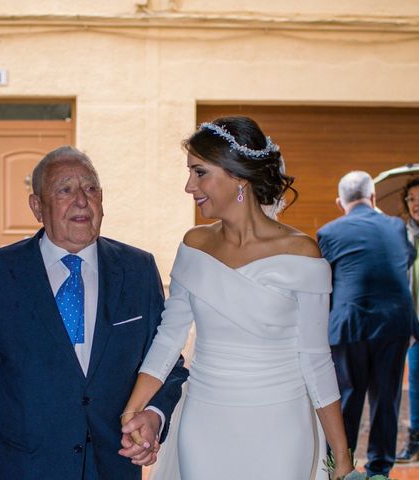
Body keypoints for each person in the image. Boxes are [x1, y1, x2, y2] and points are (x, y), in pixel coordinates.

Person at [120, 116, 353, 480]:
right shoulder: (193, 245)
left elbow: (316, 359)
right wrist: (132, 409)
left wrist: (341, 452)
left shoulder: (302, 254)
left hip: (281, 423)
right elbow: (168, 338)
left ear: (238, 176)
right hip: (204, 420)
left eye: (199, 173)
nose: (188, 186)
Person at [0, 146, 188, 480]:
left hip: (112, 468)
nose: (81, 201)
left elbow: (167, 363)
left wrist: (154, 415)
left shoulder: (137, 270)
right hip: (24, 469)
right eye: (65, 190)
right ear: (37, 206)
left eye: (91, 189)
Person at [317, 171, 417, 477]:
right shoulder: (396, 226)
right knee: (386, 400)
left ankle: (340, 466)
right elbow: (405, 259)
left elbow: (325, 283)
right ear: (373, 197)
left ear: (340, 203)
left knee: (348, 398)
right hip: (394, 324)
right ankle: (379, 470)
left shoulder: (328, 232)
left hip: (349, 325)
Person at [396, 177, 419, 462]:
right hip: (415, 320)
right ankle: (416, 437)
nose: (417, 204)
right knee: (416, 379)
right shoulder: (403, 236)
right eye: (412, 199)